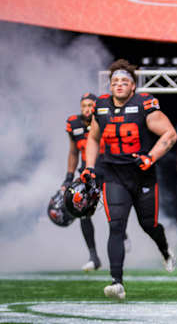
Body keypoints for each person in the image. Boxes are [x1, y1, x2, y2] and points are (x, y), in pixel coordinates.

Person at [82, 59, 177, 300]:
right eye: (115, 82)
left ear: (133, 86)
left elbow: (170, 134)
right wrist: (90, 166)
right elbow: (93, 138)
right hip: (114, 174)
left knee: (149, 224)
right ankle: (117, 282)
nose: (120, 85)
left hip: (142, 175)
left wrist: (151, 157)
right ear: (110, 86)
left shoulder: (144, 104)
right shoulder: (101, 107)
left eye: (125, 81)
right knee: (116, 226)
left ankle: (165, 251)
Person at [62, 93, 102, 271]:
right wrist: (68, 177)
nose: (87, 109)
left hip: (107, 169)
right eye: (84, 105)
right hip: (87, 173)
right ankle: (93, 257)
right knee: (82, 210)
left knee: (113, 206)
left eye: (90, 105)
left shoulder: (104, 119)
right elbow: (73, 153)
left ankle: (122, 235)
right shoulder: (74, 123)